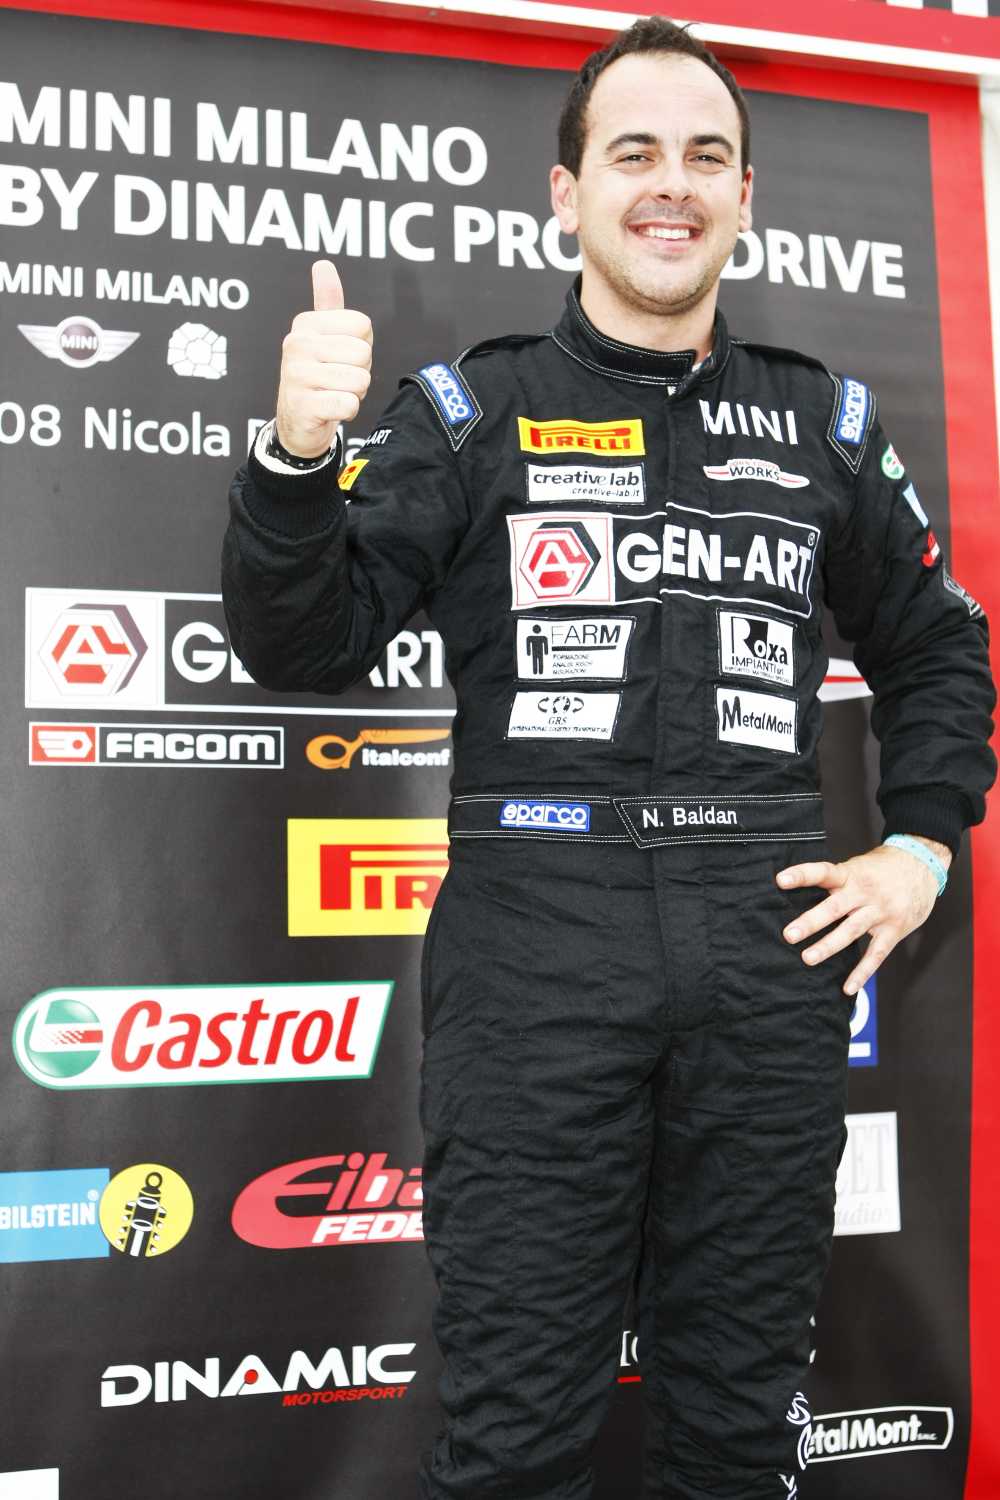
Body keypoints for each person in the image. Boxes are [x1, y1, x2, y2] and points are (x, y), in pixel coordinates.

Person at [221, 18, 995, 1499]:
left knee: (740, 1424)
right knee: (516, 1431)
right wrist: (296, 462)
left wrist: (920, 846)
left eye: (706, 156)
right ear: (568, 195)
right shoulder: (476, 410)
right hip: (536, 939)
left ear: (746, 197)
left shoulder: (821, 421)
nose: (671, 184)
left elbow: (941, 646)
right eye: (634, 153)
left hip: (764, 946)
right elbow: (300, 643)